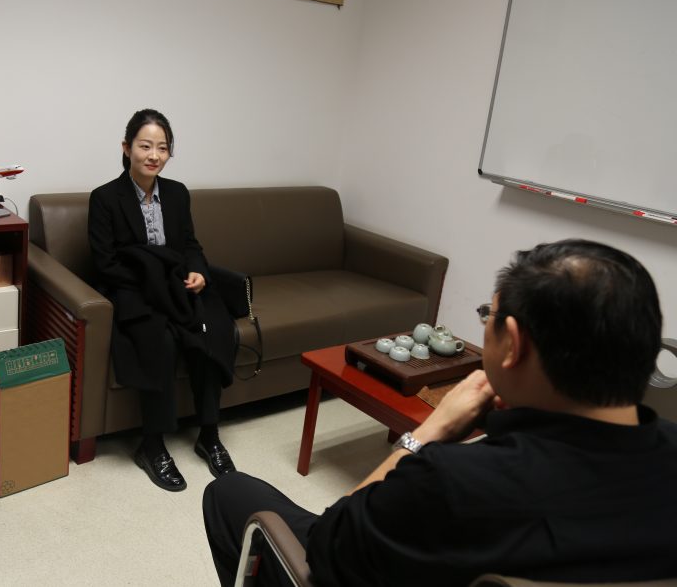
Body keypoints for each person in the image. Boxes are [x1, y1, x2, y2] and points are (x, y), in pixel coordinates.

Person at [203, 239, 677, 585]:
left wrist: (427, 434)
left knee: (229, 493)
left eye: (488, 316)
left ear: (513, 343)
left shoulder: (453, 482)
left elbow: (327, 546)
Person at [89, 108, 239, 492]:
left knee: (213, 328)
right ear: (127, 148)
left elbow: (189, 245)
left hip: (176, 286)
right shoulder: (104, 198)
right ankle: (152, 444)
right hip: (133, 291)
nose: (154, 155)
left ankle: (209, 434)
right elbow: (105, 264)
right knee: (161, 340)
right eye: (145, 146)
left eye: (162, 148)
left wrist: (198, 270)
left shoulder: (177, 193)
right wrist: (153, 282)